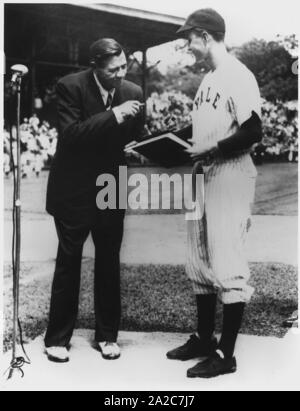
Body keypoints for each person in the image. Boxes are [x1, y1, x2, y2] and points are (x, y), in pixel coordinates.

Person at [167, 9, 262, 378]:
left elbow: (253, 131)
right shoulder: (209, 78)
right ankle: (204, 338)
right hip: (201, 174)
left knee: (227, 261)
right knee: (198, 259)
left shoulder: (239, 75)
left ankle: (226, 355)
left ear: (205, 36)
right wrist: (157, 143)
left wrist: (210, 150)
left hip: (229, 172)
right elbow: (199, 126)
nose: (186, 46)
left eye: (188, 38)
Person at [45, 38, 144, 363]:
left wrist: (143, 148)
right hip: (73, 189)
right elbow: (71, 135)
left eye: (124, 66)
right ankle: (57, 339)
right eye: (113, 69)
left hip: (111, 187)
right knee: (68, 262)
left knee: (108, 261)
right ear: (96, 67)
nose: (121, 74)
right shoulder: (69, 86)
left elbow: (135, 138)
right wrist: (113, 115)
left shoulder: (133, 92)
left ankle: (108, 336)